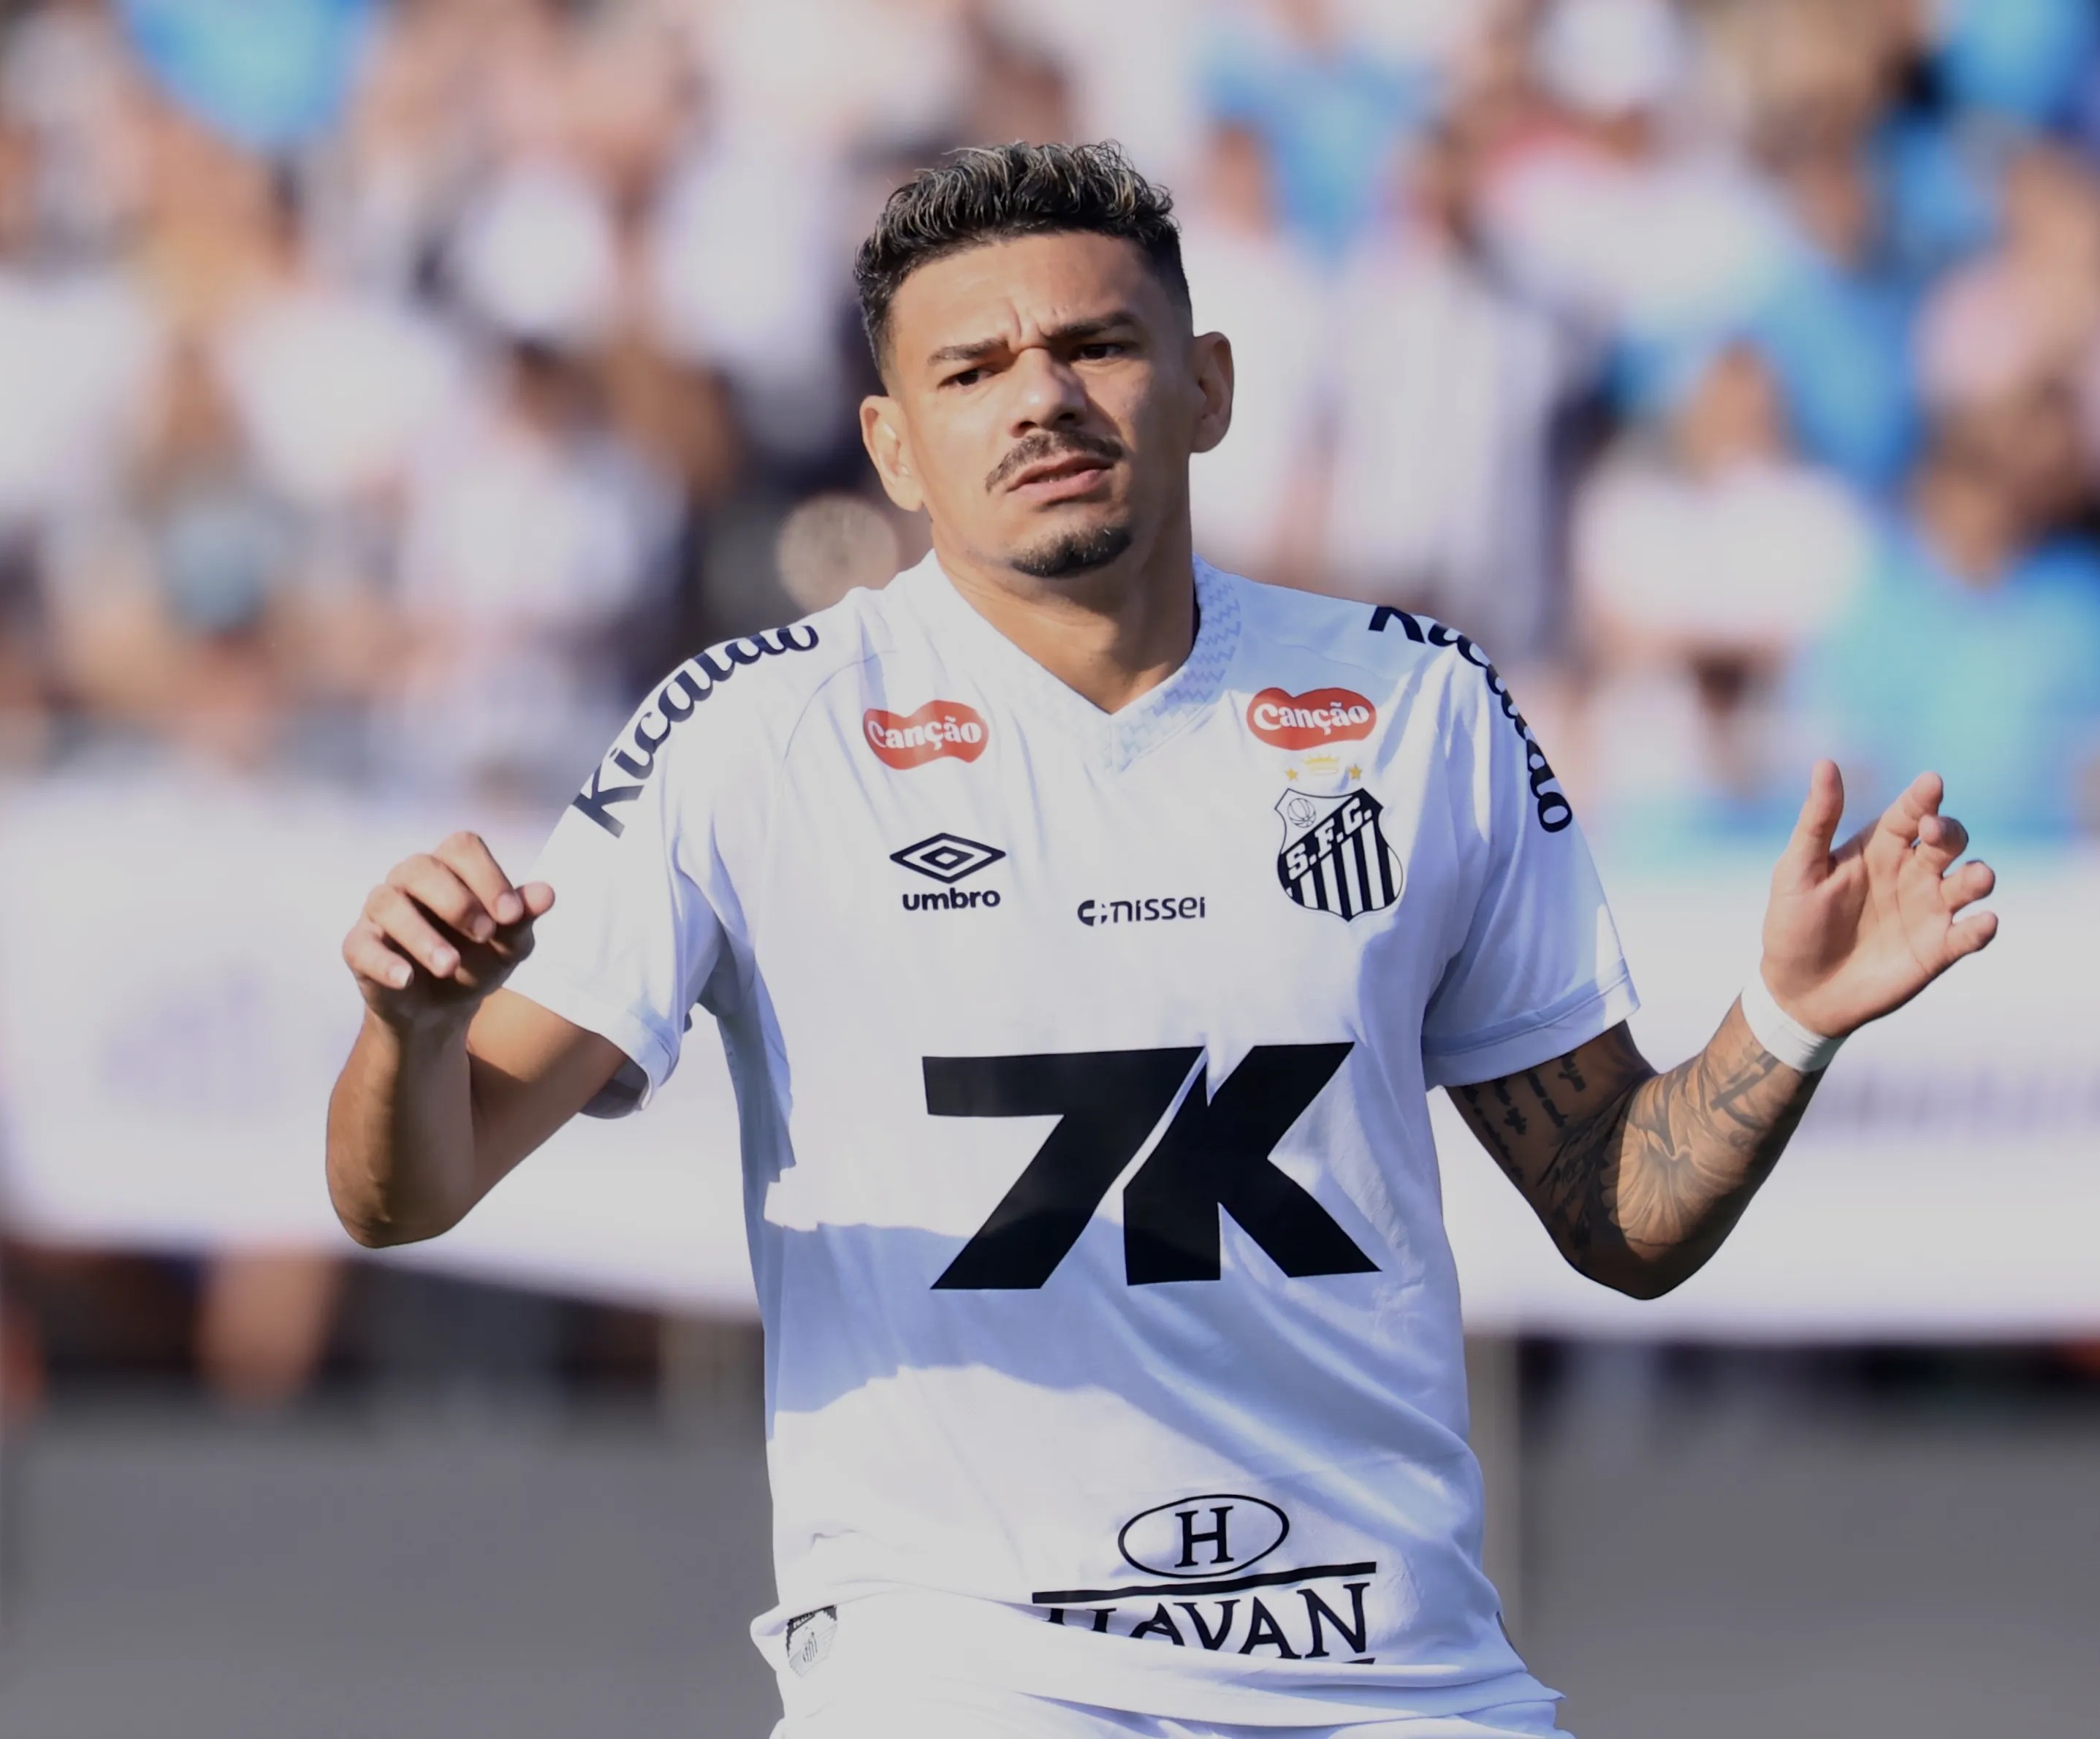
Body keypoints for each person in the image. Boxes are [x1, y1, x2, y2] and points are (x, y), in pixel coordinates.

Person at [324, 143, 1999, 1738]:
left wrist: (1783, 1019)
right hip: (960, 1669)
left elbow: (1623, 1214)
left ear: (1208, 383)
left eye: (1095, 344)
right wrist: (409, 1027)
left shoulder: (1418, 710)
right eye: (971, 371)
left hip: (1389, 1670)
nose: (1041, 395)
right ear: (894, 447)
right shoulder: (753, 736)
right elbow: (410, 1187)